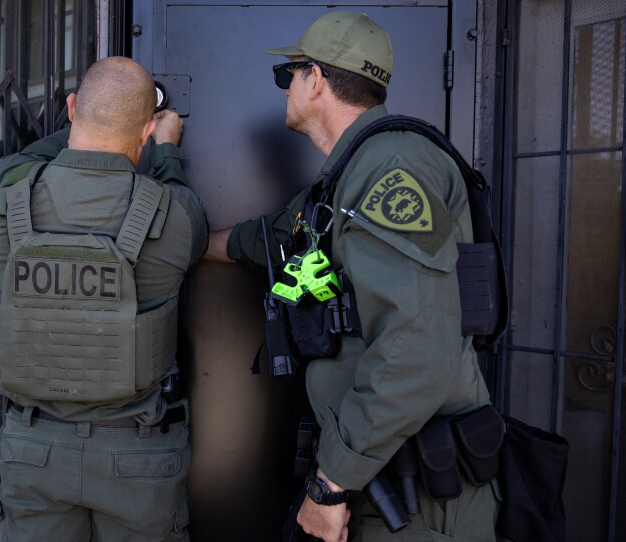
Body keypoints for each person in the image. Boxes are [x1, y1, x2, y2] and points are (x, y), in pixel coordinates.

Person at [205, 12, 498, 542]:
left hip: (414, 498)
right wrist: (186, 244)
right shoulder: (348, 173)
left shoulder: (390, 170)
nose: (285, 87)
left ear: (315, 79)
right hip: (381, 473)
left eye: (287, 75)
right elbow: (275, 237)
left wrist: (330, 484)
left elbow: (416, 348)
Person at [0, 56, 208, 541]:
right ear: (146, 128)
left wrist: (90, 119)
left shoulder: (1, 197)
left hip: (33, 450)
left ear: (69, 108)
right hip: (137, 457)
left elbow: (22, 162)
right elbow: (180, 197)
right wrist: (166, 149)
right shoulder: (177, 216)